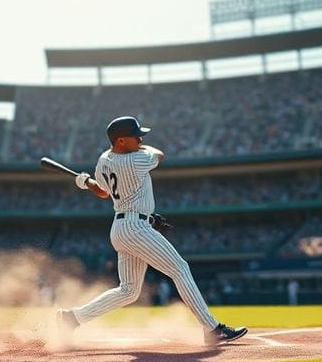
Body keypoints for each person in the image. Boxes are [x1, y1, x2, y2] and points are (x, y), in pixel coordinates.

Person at [56, 116, 248, 346]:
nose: (140, 139)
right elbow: (160, 154)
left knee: (128, 291)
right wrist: (139, 150)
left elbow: (103, 192)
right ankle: (212, 328)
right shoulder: (136, 159)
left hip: (122, 227)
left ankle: (72, 318)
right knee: (180, 268)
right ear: (120, 141)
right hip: (134, 227)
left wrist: (85, 182)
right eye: (135, 136)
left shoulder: (104, 160)